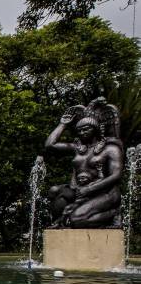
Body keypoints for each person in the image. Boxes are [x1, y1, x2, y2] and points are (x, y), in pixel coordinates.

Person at [45, 97, 123, 228]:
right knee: (54, 191)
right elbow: (50, 145)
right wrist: (63, 124)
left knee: (77, 220)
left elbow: (116, 175)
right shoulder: (77, 148)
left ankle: (113, 213)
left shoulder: (110, 148)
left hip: (104, 192)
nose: (82, 132)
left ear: (96, 129)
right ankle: (59, 222)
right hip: (79, 189)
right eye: (79, 130)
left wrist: (89, 188)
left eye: (86, 129)